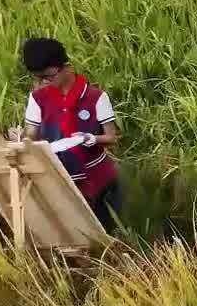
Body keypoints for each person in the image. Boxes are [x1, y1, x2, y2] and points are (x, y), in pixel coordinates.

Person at [19, 37, 122, 233]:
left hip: (97, 179)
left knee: (105, 233)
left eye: (49, 76)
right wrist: (22, 139)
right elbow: (31, 135)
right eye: (39, 78)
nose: (45, 82)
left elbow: (111, 137)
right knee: (67, 232)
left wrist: (92, 139)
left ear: (65, 66)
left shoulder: (96, 97)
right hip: (58, 178)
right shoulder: (37, 99)